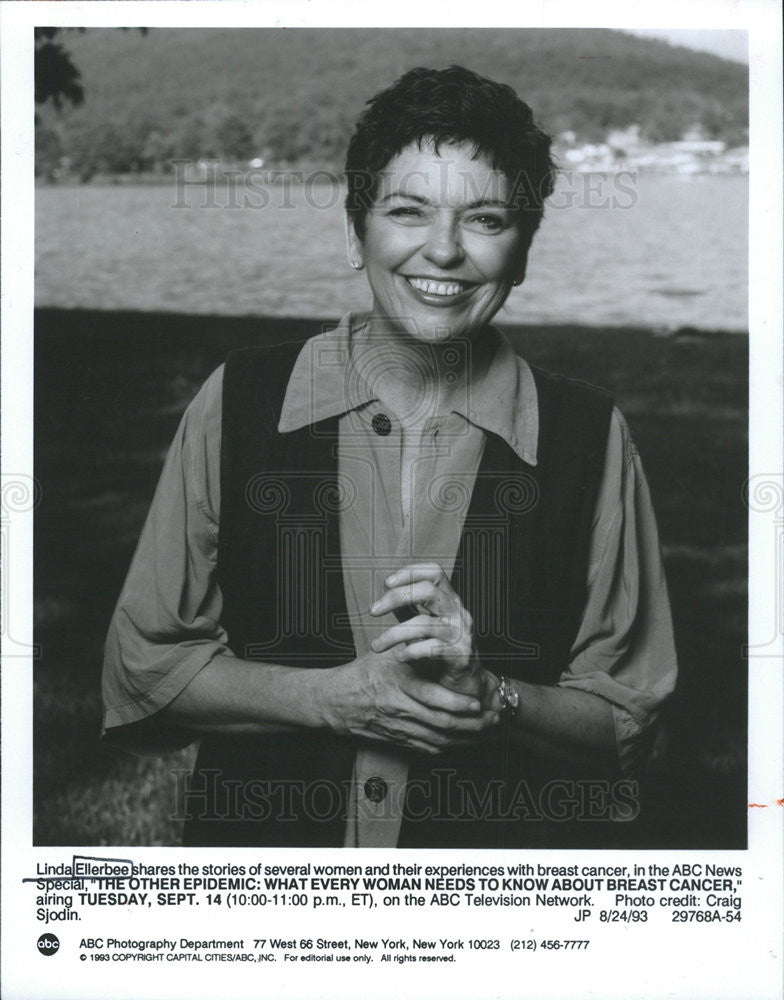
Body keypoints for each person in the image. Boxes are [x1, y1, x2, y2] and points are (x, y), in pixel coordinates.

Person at [102, 65, 677, 848]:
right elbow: (144, 668)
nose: (443, 251)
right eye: (408, 211)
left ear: (525, 249)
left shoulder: (590, 434)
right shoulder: (237, 401)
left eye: (485, 219)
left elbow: (627, 721)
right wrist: (331, 699)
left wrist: (494, 697)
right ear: (353, 232)